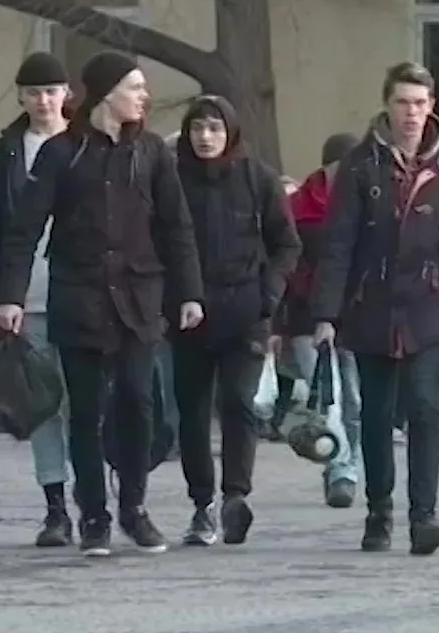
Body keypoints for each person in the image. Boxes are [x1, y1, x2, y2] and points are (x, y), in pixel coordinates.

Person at [0, 50, 205, 556]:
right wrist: (9, 297)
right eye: (135, 87)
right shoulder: (62, 153)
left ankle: (134, 506)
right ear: (108, 94)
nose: (143, 96)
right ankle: (94, 515)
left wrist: (190, 292)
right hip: (80, 295)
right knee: (84, 410)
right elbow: (24, 229)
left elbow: (176, 227)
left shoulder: (151, 153)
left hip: (138, 297)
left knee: (137, 401)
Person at [312, 62, 439, 556]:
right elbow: (338, 241)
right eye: (402, 102)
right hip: (372, 301)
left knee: (425, 404)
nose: (411, 113)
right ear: (387, 105)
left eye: (420, 103)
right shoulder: (360, 163)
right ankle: (379, 511)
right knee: (376, 412)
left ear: (432, 105)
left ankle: (423, 515)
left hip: (430, 300)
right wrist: (326, 313)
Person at [170, 95, 301, 546]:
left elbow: (287, 244)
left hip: (245, 310)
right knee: (191, 411)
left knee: (238, 402)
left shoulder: (257, 178)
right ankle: (202, 503)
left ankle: (235, 496)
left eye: (214, 128)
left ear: (230, 133)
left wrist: (269, 294)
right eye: (197, 128)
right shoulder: (173, 180)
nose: (205, 137)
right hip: (187, 314)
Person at [0, 51, 77, 546]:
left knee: (87, 404)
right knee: (42, 405)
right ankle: (55, 506)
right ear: (21, 97)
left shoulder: (86, 145)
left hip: (83, 294)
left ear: (66, 95)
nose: (43, 101)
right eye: (34, 93)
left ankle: (96, 500)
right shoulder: (7, 152)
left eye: (51, 92)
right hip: (23, 298)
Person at [278, 132, 364, 508]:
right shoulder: (297, 209)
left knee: (355, 400)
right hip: (307, 318)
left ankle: (350, 462)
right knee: (330, 401)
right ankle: (341, 470)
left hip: (356, 318)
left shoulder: (364, 206)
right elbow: (286, 264)